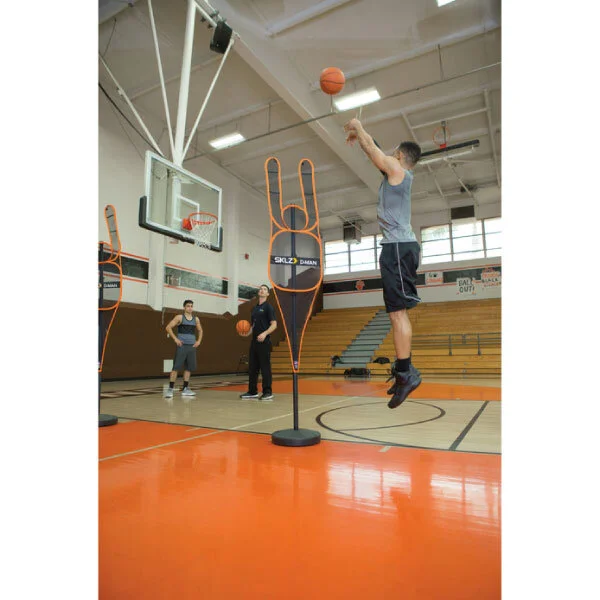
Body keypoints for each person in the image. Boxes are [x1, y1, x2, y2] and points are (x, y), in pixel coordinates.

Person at [344, 117, 423, 408]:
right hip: (396, 248)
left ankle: (406, 374)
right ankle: (404, 372)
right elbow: (374, 151)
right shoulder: (396, 173)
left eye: (392, 152)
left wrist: (358, 126)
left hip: (399, 249)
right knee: (395, 314)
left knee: (398, 314)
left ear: (399, 156)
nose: (388, 155)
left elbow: (374, 152)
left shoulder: (397, 169)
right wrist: (361, 137)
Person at [240, 284, 277, 401]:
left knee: (265, 368)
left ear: (267, 294)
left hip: (264, 342)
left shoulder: (268, 307)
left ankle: (268, 392)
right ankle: (252, 391)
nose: (262, 290)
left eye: (264, 289)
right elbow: (253, 326)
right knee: (253, 367)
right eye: (260, 289)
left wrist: (265, 334)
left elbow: (274, 324)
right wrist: (246, 333)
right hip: (254, 342)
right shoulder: (255, 308)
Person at [164, 300, 203, 399]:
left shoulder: (196, 319)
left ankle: (185, 389)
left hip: (192, 347)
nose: (190, 308)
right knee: (176, 368)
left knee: (188, 368)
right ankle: (170, 389)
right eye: (188, 306)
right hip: (182, 346)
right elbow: (168, 327)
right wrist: (175, 339)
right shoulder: (179, 317)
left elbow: (200, 330)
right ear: (184, 308)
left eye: (191, 306)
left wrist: (198, 341)